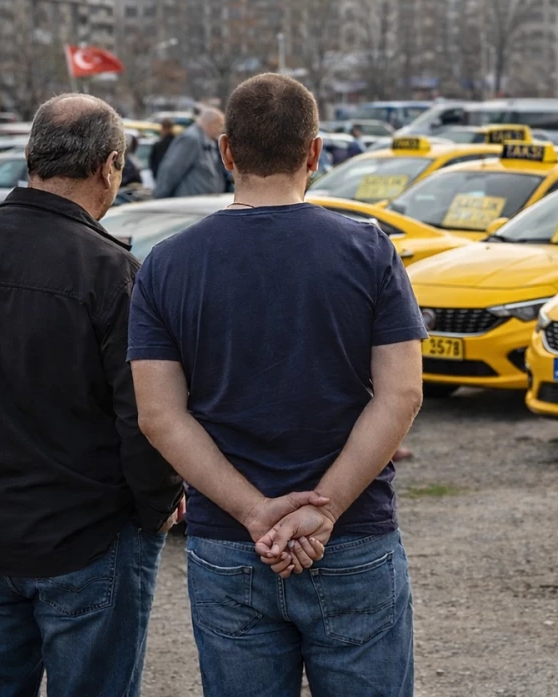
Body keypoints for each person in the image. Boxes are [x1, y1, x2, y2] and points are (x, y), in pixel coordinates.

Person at [0, 94, 210, 697]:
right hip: (89, 538)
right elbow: (146, 416)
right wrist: (153, 509)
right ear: (109, 166)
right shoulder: (110, 270)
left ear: (33, 156)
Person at [131, 73, 426, 697]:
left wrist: (254, 511)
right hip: (351, 535)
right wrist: (326, 511)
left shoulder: (168, 264)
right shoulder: (369, 250)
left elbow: (160, 416)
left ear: (227, 152)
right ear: (314, 152)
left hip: (230, 542)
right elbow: (401, 394)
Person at [152, 107, 226, 197]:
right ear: (210, 124)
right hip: (188, 205)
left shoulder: (208, 142)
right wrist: (159, 197)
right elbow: (171, 170)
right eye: (220, 125)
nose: (221, 130)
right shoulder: (191, 139)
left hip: (200, 204)